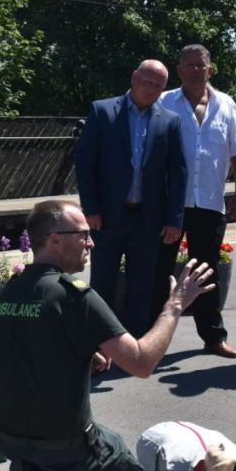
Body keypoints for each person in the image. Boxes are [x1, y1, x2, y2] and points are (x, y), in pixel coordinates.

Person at [0, 200, 214, 471]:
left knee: (65, 447)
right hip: (63, 443)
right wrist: (175, 305)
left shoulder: (10, 292)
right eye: (83, 235)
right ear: (55, 240)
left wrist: (85, 350)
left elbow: (29, 346)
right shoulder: (76, 296)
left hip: (5, 436)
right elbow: (141, 363)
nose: (91, 243)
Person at [152, 44, 236, 358]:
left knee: (206, 272)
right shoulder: (164, 102)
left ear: (210, 69)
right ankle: (151, 337)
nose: (196, 70)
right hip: (171, 204)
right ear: (179, 70)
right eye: (190, 65)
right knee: (161, 269)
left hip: (209, 201)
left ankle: (213, 337)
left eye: (202, 65)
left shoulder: (226, 104)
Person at [75, 60, 187, 338]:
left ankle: (135, 344)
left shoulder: (170, 121)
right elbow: (85, 163)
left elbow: (178, 173)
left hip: (147, 218)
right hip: (108, 215)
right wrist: (90, 209)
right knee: (103, 281)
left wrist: (174, 219)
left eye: (158, 86)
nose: (151, 89)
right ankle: (99, 342)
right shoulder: (102, 111)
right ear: (134, 76)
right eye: (147, 81)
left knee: (142, 284)